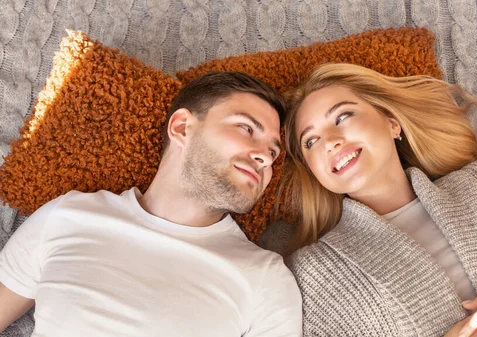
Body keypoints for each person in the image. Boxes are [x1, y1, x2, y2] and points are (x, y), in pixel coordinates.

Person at [280, 63, 477, 337]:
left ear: (392, 123)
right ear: (314, 171)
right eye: (311, 141)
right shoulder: (315, 272)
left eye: (342, 116)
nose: (331, 142)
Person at [0, 72, 302, 336]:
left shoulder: (265, 279)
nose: (265, 157)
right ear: (182, 127)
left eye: (273, 152)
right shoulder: (68, 216)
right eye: (246, 129)